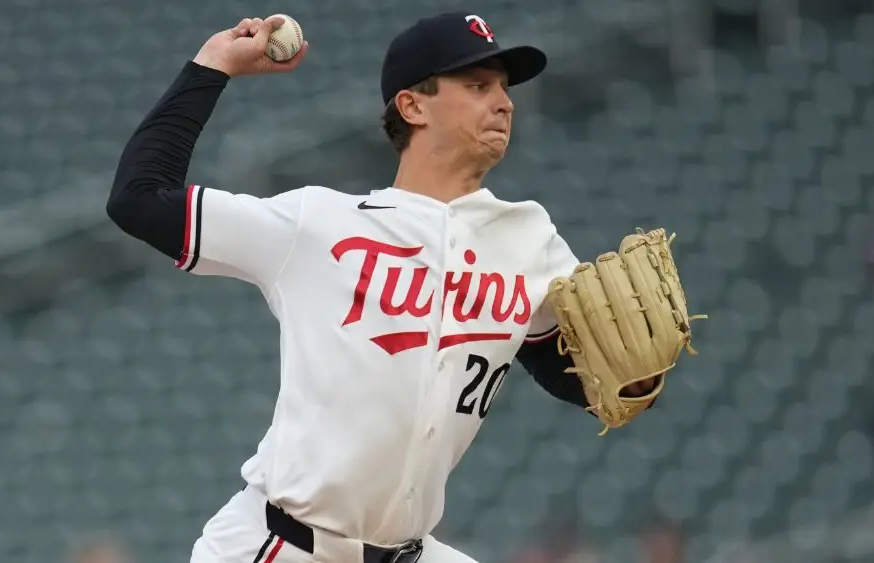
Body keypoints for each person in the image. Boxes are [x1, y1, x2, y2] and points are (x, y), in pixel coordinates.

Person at [107, 10, 655, 563]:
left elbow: (563, 368)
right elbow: (138, 198)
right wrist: (214, 64)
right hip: (282, 545)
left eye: (504, 88)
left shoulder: (530, 239)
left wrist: (630, 382)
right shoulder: (317, 224)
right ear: (412, 106)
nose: (503, 103)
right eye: (477, 86)